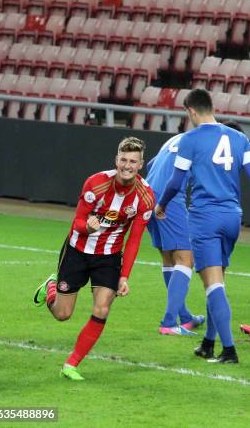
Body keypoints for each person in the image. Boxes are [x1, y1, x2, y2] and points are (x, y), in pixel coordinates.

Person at [155, 89, 250, 363]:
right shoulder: (239, 138)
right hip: (232, 217)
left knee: (213, 285)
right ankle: (208, 343)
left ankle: (228, 351)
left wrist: (162, 204)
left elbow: (176, 181)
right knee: (218, 282)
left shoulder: (190, 139)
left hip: (205, 217)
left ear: (191, 111)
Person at [33, 137, 155, 380]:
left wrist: (124, 276)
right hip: (78, 251)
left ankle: (71, 364)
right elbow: (77, 222)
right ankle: (51, 287)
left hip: (108, 258)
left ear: (140, 164)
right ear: (116, 160)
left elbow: (134, 240)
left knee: (102, 308)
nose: (127, 165)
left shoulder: (145, 198)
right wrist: (87, 228)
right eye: (123, 159)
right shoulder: (96, 183)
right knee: (62, 314)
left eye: (133, 161)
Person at [146, 133, 205, 336]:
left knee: (169, 257)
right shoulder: (211, 142)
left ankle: (185, 317)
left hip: (147, 193)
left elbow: (152, 164)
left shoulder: (179, 137)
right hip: (168, 198)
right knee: (186, 258)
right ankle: (169, 323)